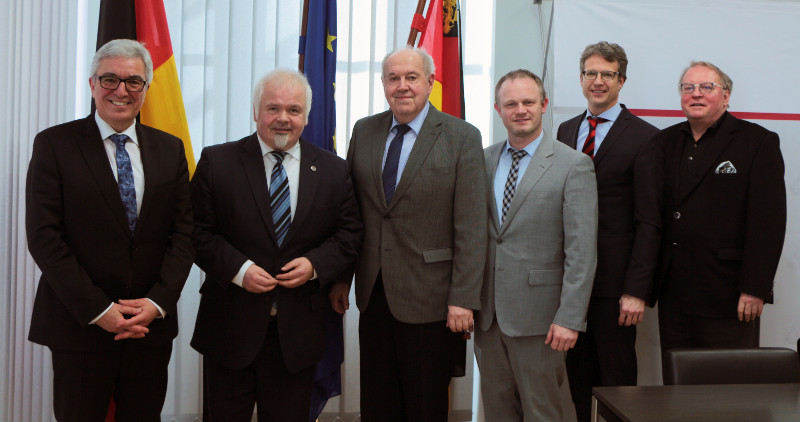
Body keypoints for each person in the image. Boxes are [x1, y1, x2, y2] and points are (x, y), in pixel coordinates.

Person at [25, 39, 194, 422]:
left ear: (147, 88)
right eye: (110, 79)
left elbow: (185, 235)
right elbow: (44, 237)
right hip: (79, 324)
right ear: (91, 84)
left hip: (149, 325)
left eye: (134, 81)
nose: (121, 90)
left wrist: (156, 303)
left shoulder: (170, 148)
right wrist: (100, 310)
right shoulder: (54, 144)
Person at [190, 69, 362, 421]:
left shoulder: (334, 170)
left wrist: (314, 265)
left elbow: (350, 234)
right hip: (229, 329)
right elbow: (195, 232)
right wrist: (239, 270)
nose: (283, 118)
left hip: (297, 335)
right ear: (256, 112)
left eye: (294, 110)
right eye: (273, 108)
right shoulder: (217, 162)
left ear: (307, 117)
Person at [335, 47, 486, 421]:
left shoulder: (461, 136)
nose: (402, 86)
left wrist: (463, 299)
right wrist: (341, 279)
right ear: (384, 84)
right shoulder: (364, 130)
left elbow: (470, 225)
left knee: (424, 404)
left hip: (433, 299)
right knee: (378, 402)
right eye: (393, 78)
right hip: (373, 292)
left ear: (430, 82)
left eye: (412, 77)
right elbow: (349, 213)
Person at [476, 69, 598, 421]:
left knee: (545, 412)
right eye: (510, 103)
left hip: (543, 320)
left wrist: (570, 318)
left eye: (528, 102)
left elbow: (582, 251)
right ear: (498, 110)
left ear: (544, 105)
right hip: (488, 317)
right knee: (498, 412)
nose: (520, 110)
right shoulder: (482, 160)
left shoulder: (573, 164)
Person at [652, 61, 786, 367]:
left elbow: (768, 223)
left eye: (706, 87)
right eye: (688, 88)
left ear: (726, 97)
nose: (696, 94)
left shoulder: (757, 142)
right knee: (678, 389)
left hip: (729, 296)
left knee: (728, 391)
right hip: (675, 295)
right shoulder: (664, 141)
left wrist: (755, 288)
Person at [555, 41, 661, 422]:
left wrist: (636, 290)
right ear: (581, 78)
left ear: (622, 81)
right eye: (591, 73)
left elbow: (650, 221)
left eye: (608, 74)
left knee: (616, 382)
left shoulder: (647, 137)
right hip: (571, 284)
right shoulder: (565, 130)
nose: (598, 81)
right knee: (577, 378)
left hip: (616, 286)